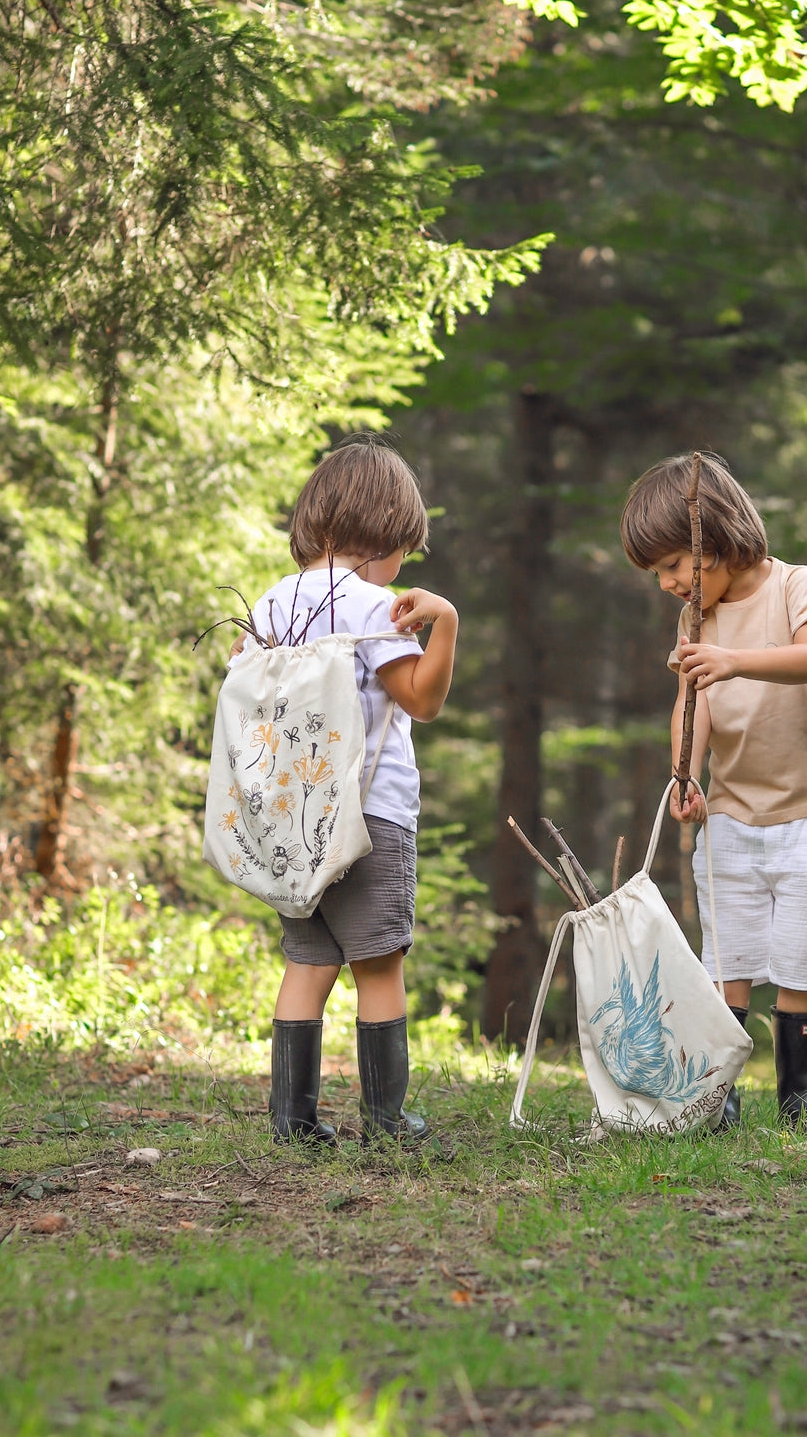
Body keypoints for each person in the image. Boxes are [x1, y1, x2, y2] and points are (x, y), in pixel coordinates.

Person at [620, 452, 807, 1132]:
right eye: (657, 573)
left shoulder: (795, 587)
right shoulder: (697, 619)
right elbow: (695, 709)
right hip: (733, 816)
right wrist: (685, 774)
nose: (666, 583)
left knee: (805, 954)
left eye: (671, 565)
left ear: (714, 541)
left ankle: (801, 1098)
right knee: (728, 954)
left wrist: (733, 659)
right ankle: (718, 1091)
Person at [236, 437, 458, 1146]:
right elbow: (420, 699)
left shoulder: (272, 599)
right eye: (402, 551)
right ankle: (387, 1122)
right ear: (387, 535)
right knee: (379, 965)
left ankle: (293, 1121)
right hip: (370, 814)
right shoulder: (374, 606)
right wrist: (444, 623)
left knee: (308, 961)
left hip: (291, 818)